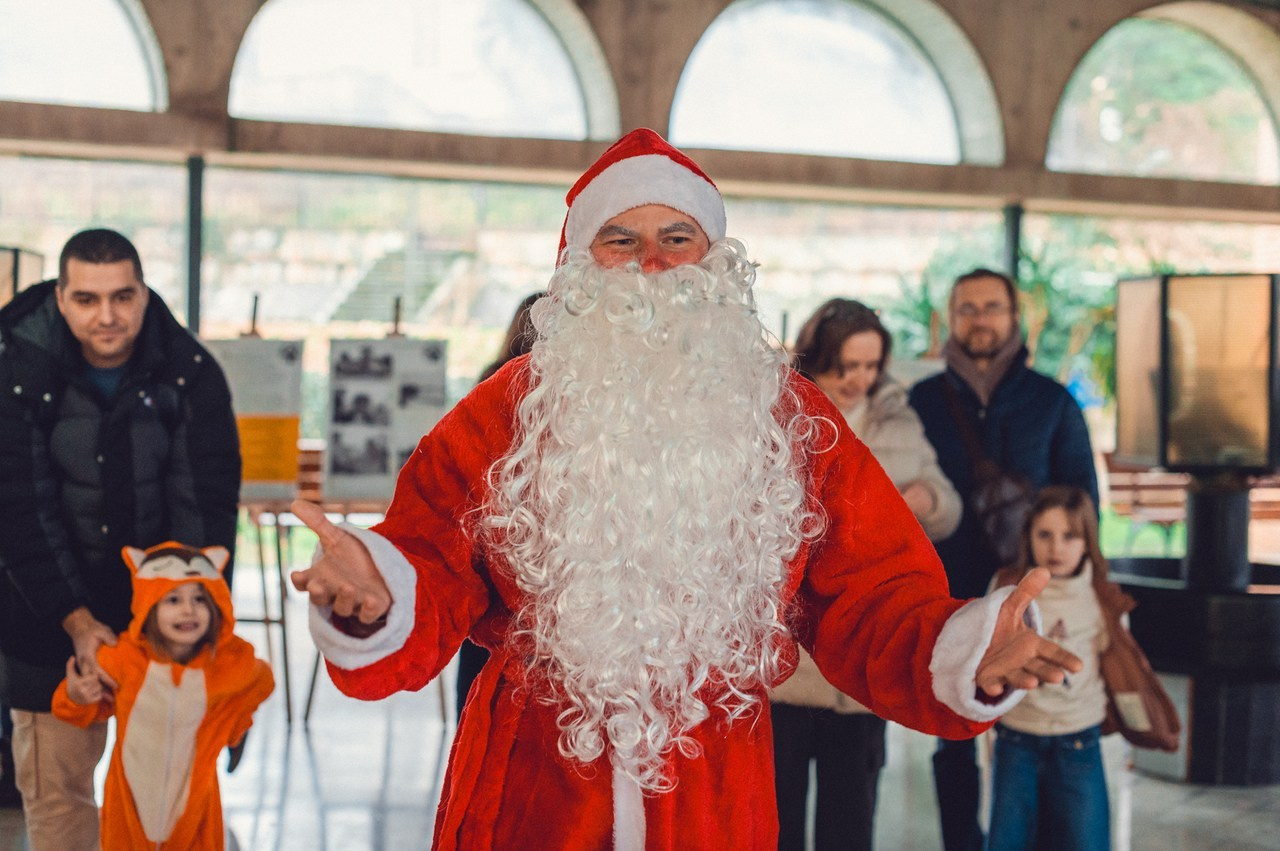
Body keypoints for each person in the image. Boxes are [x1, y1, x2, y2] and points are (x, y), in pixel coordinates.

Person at [291, 129, 1081, 851]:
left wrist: (964, 650)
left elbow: (871, 591)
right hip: (529, 791)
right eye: (621, 239)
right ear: (578, 265)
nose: (654, 263)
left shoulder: (788, 417)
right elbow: (430, 558)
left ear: (713, 260)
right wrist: (382, 593)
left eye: (677, 238)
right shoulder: (508, 408)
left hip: (713, 792)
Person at [0, 228, 241, 851]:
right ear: (60, 297)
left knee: (165, 803)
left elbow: (203, 516)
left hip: (162, 615)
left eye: (122, 296)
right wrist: (78, 624)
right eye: (86, 299)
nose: (107, 316)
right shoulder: (13, 368)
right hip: (42, 616)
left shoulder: (190, 374)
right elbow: (19, 510)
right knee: (58, 800)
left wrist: (177, 629)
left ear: (143, 292)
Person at [907, 267, 1099, 851]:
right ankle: (960, 842)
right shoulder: (922, 402)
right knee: (953, 733)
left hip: (1033, 593)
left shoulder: (1052, 401)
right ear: (950, 319)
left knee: (1034, 732)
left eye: (992, 307)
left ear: (1014, 318)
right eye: (968, 308)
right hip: (949, 591)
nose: (980, 319)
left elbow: (1083, 505)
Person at [771, 298, 962, 851]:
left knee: (851, 816)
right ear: (817, 359)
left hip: (865, 670)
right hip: (791, 660)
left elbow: (947, 501)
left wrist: (927, 500)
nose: (859, 380)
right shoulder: (779, 417)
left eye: (871, 366)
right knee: (777, 817)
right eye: (845, 366)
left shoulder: (898, 420)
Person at [52, 542, 274, 850]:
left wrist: (237, 725)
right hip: (128, 807)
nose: (188, 609)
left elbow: (261, 680)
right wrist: (75, 695)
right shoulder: (125, 660)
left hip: (196, 806)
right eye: (172, 599)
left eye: (199, 598)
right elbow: (78, 710)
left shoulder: (226, 665)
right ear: (149, 603)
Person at [986, 487, 1114, 851]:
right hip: (1017, 740)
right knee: (1007, 840)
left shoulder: (1102, 596)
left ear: (1087, 541)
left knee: (1085, 839)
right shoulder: (1006, 589)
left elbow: (1115, 661)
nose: (1056, 547)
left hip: (1079, 741)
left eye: (1069, 536)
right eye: (1045, 535)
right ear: (1028, 536)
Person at [453, 290, 545, 721]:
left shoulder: (489, 385)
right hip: (522, 582)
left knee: (479, 691)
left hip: (487, 574)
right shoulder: (515, 393)